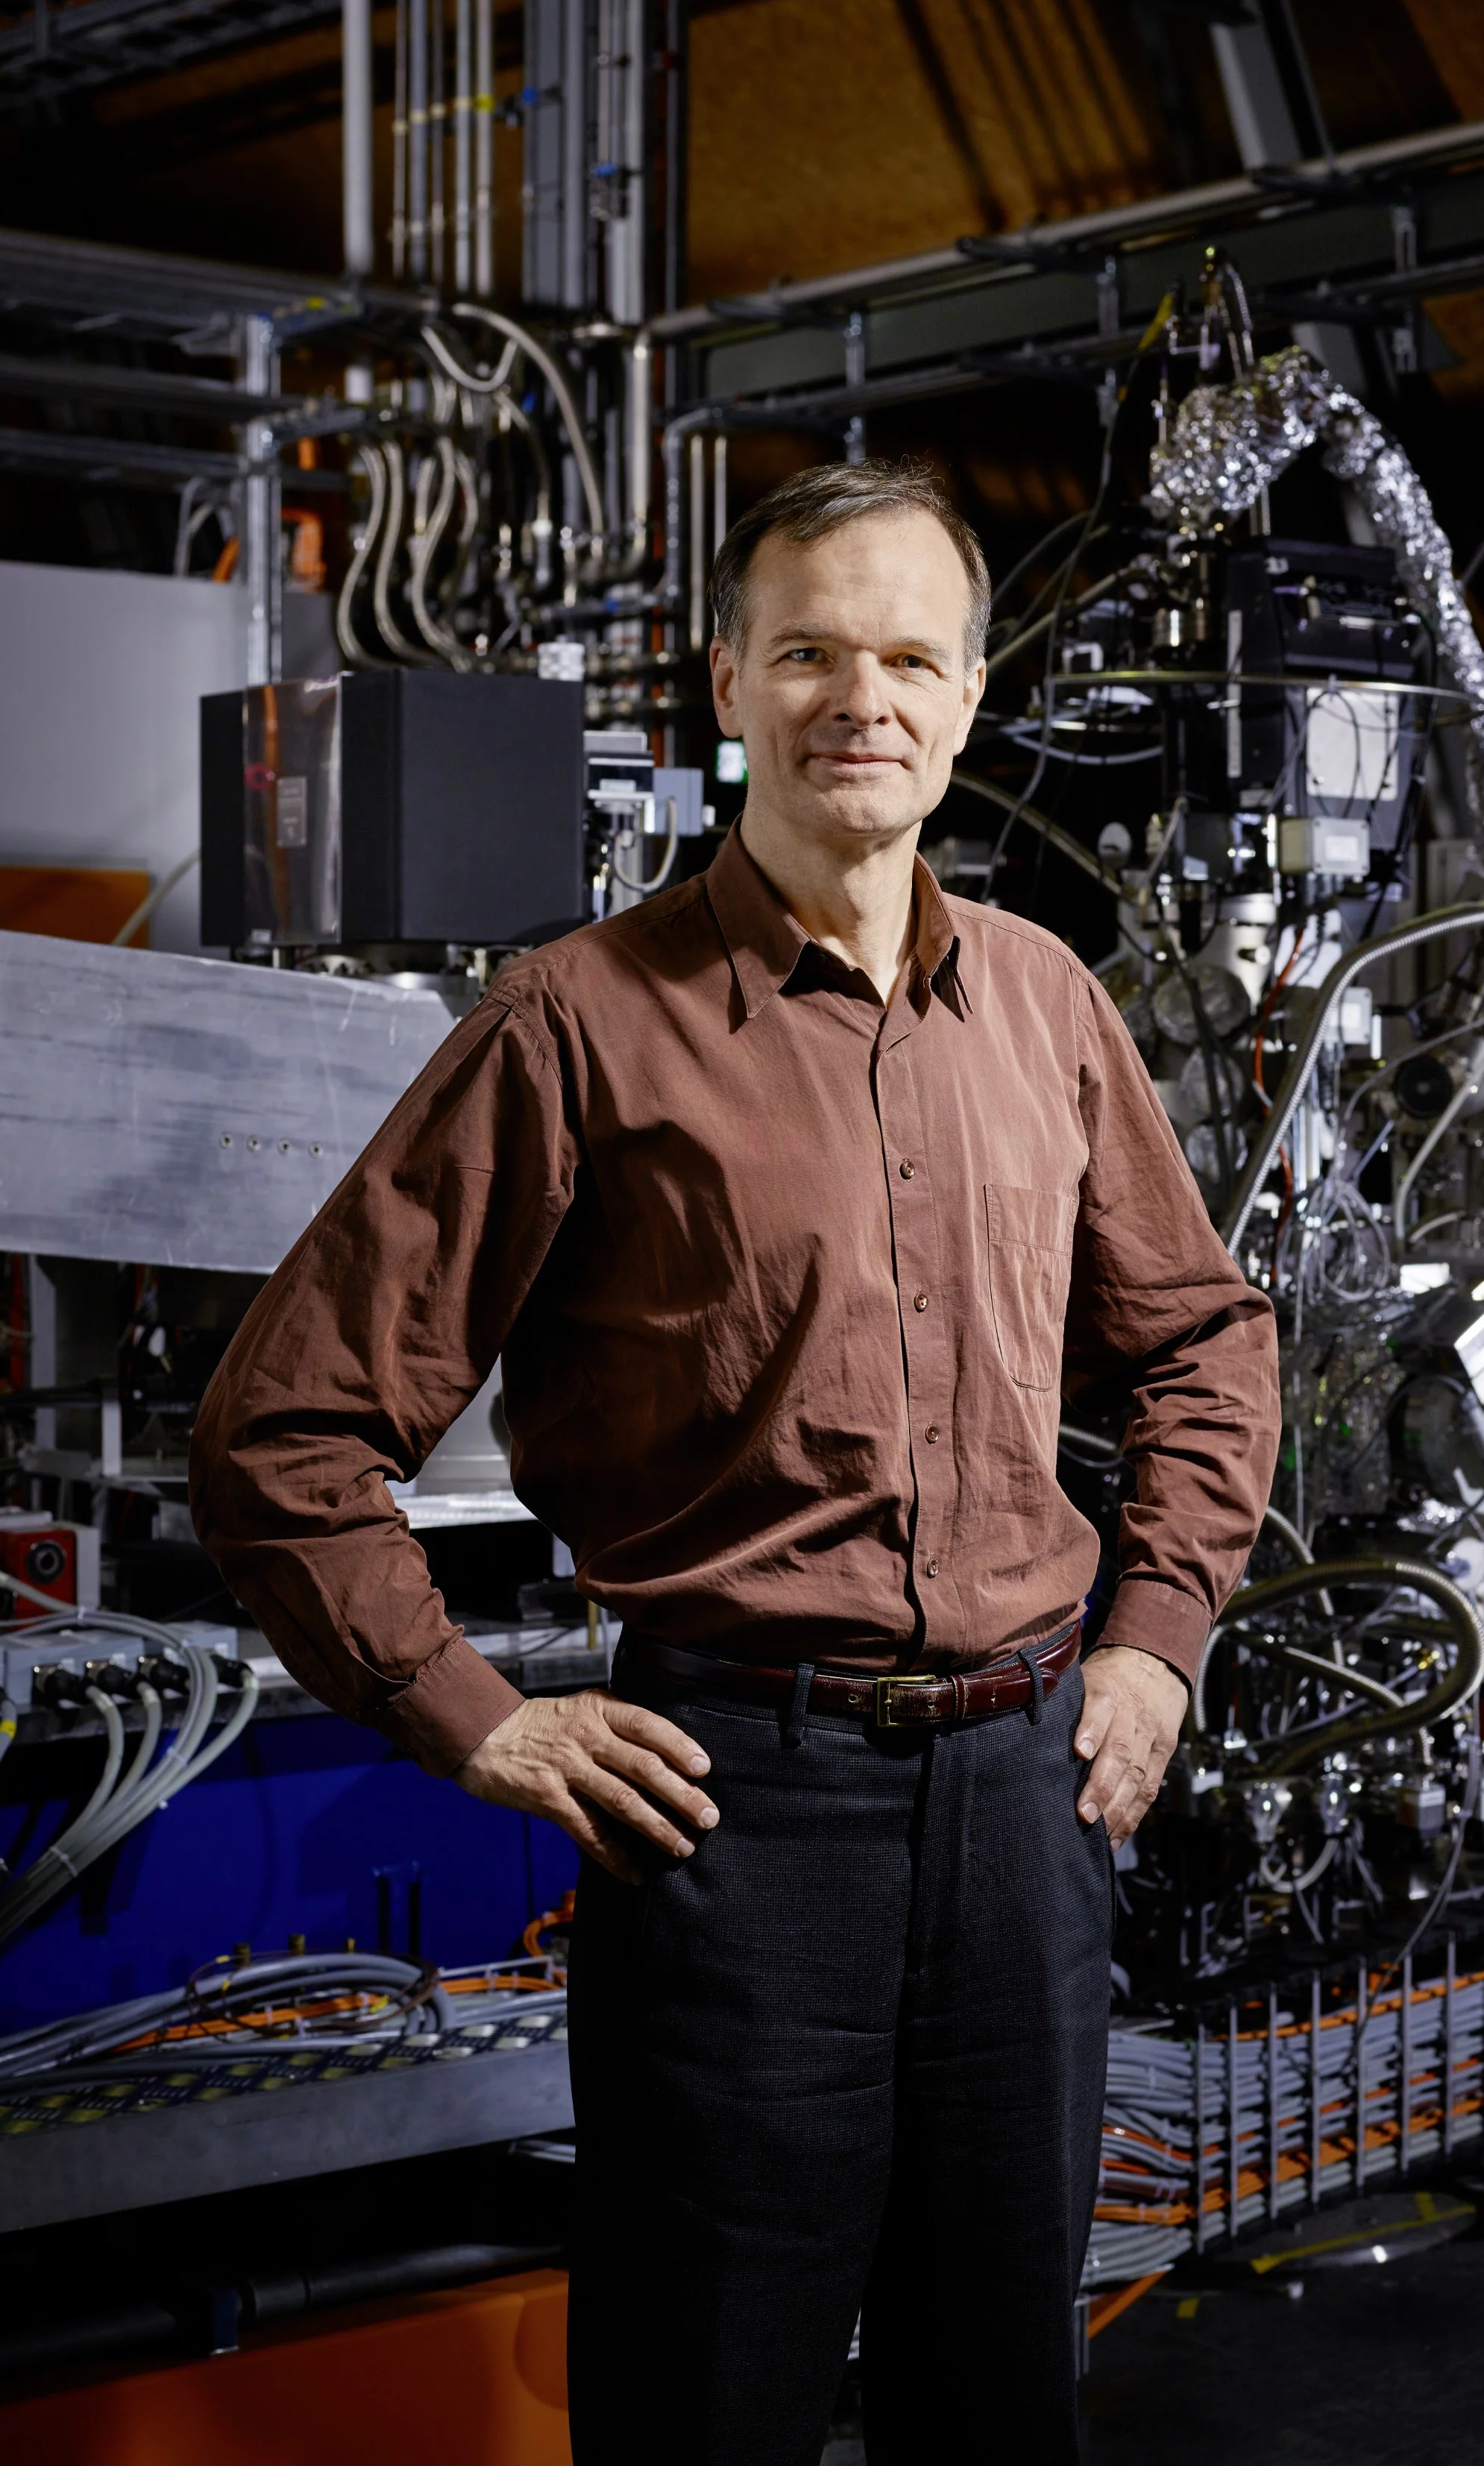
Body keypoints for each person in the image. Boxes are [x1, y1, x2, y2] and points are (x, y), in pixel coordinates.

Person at [190, 457, 1279, 2466]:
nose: (856, 697)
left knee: (996, 2395)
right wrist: (468, 1715)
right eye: (806, 652)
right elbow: (285, 1425)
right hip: (731, 1799)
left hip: (1025, 1791)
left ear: (965, 698)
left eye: (905, 657)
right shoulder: (573, 1023)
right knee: (711, 2393)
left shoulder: (1044, 1003)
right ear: (725, 681)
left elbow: (1205, 1339)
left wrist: (1157, 1634)